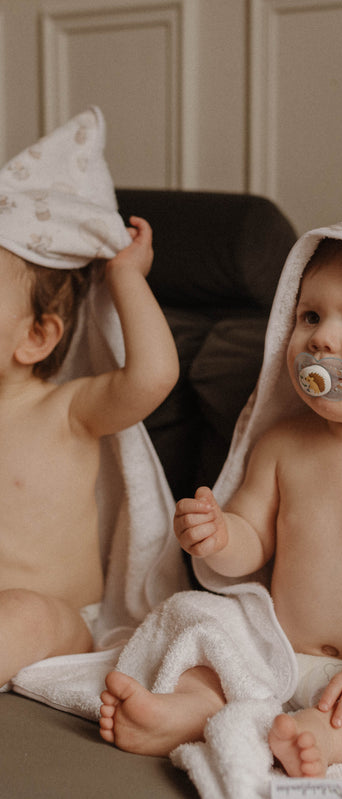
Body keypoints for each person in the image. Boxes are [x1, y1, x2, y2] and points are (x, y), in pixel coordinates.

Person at [99, 237, 342, 777]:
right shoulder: (283, 444)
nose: (322, 338)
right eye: (310, 315)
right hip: (277, 654)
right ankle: (188, 707)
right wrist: (220, 536)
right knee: (203, 622)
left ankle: (332, 740)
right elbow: (253, 544)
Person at [0, 216, 179, 688]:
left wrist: (126, 277)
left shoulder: (67, 410)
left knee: (24, 615)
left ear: (36, 337)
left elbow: (153, 375)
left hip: (54, 620)